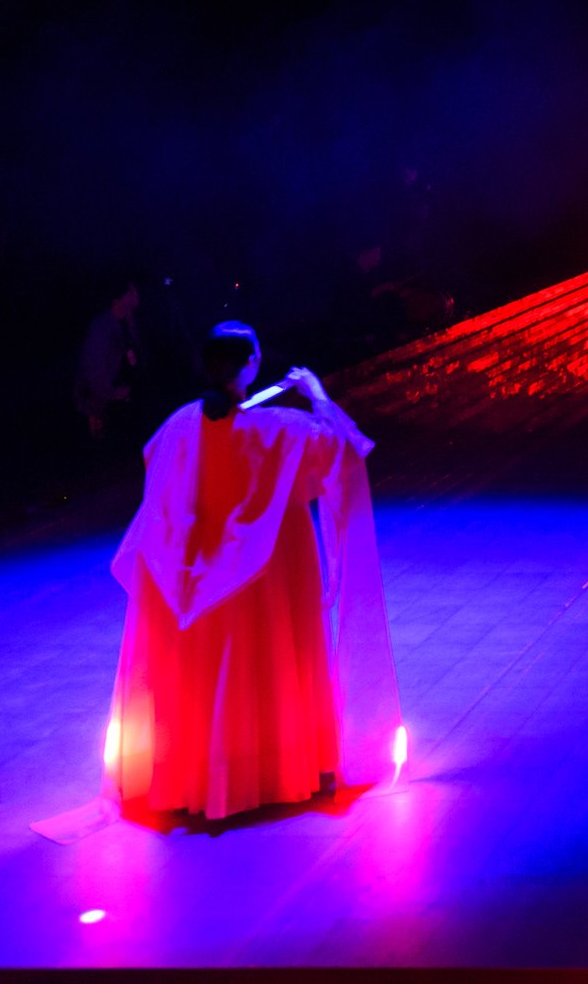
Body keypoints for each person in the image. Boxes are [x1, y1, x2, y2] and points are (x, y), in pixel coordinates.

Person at [99, 321, 400, 823]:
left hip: (195, 587)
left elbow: (163, 493)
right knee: (264, 666)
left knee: (210, 679)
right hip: (264, 587)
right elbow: (342, 450)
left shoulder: (177, 427)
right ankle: (270, 771)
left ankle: (203, 777)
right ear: (253, 365)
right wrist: (317, 393)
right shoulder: (279, 428)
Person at [73, 279, 143, 440]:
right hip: (108, 402)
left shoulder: (130, 322)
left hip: (127, 397)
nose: (137, 295)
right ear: (118, 298)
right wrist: (109, 394)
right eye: (131, 292)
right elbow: (94, 367)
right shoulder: (102, 327)